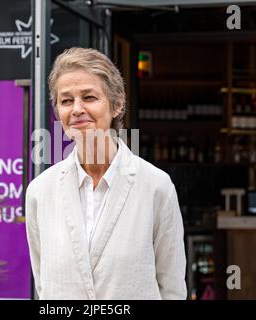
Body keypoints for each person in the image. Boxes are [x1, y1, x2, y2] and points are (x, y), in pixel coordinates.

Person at [25, 47, 187, 300]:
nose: (77, 109)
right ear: (58, 112)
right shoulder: (40, 191)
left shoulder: (156, 186)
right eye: (66, 101)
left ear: (117, 104)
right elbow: (44, 284)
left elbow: (172, 287)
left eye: (89, 97)